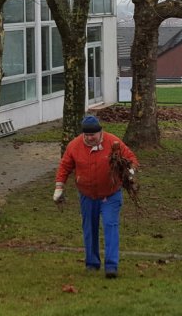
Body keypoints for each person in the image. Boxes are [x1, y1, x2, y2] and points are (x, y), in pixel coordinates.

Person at [54, 114, 139, 278]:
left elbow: (131, 158)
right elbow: (65, 166)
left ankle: (111, 266)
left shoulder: (113, 142)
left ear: (100, 132)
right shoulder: (74, 146)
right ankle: (92, 263)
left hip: (111, 194)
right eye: (86, 135)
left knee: (110, 225)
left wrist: (130, 171)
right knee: (89, 228)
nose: (89, 138)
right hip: (87, 195)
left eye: (92, 134)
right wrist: (59, 187)